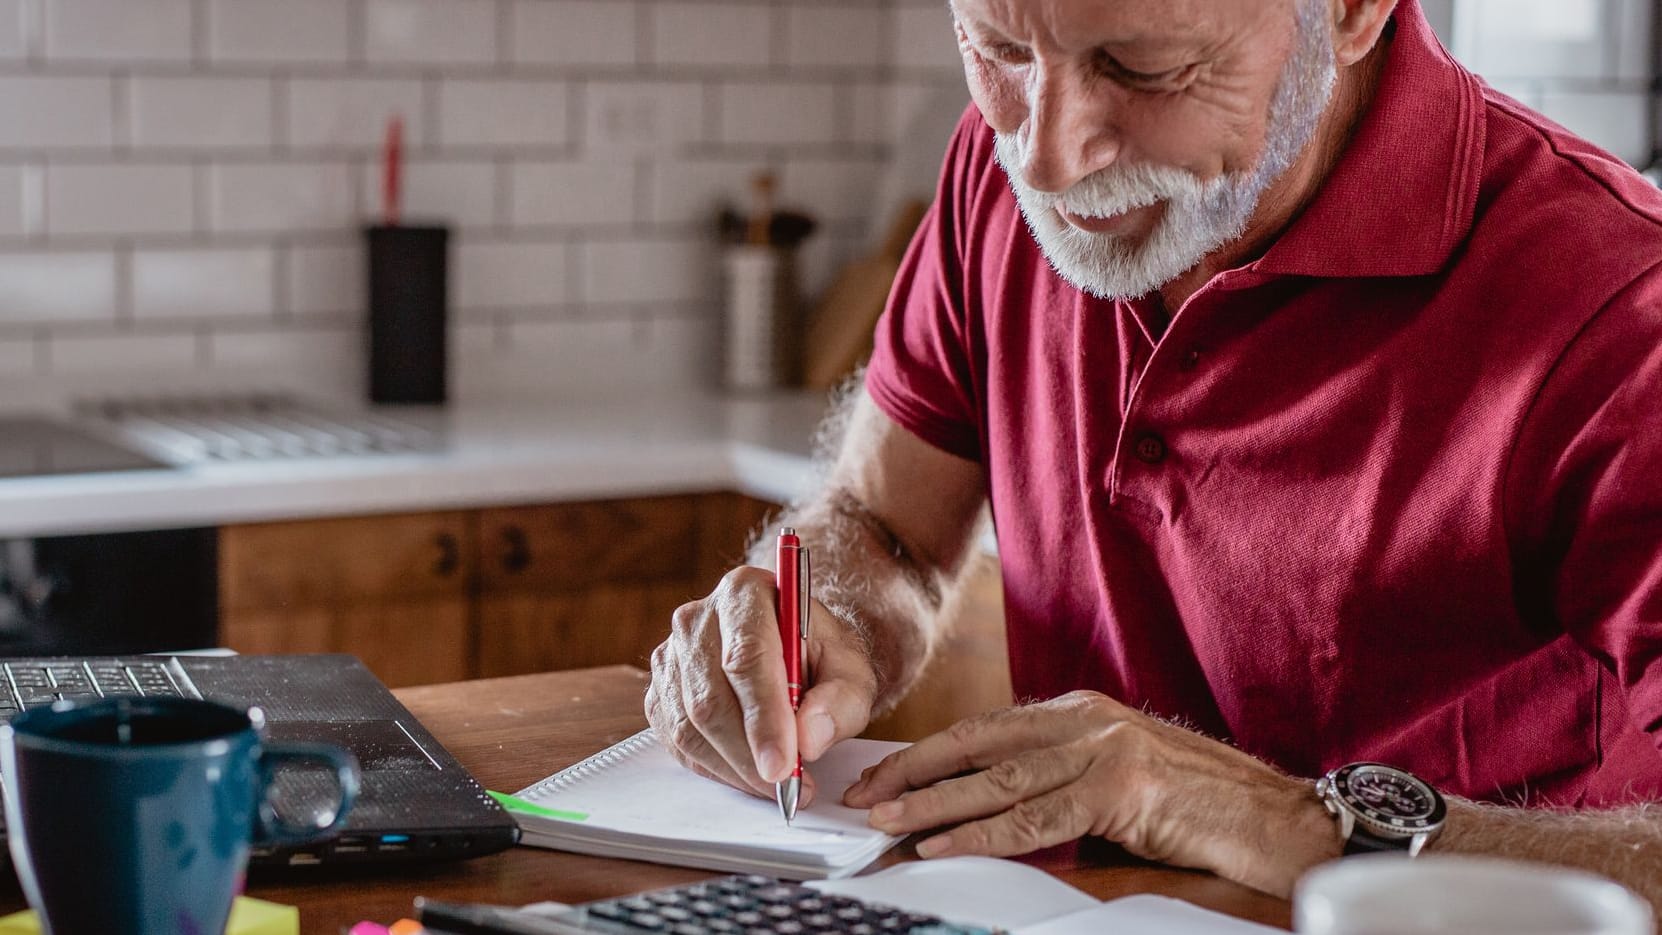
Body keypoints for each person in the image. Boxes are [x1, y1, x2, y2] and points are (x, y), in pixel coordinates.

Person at [647, 0, 1662, 908]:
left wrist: (1277, 817)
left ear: (1352, 12)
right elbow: (884, 529)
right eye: (997, 46)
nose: (1045, 159)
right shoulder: (995, 173)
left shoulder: (1621, 306)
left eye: (1141, 69)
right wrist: (817, 619)